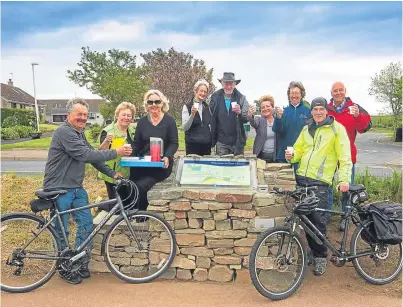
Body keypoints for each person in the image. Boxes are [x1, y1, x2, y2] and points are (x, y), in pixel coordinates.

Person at [43, 98, 132, 284]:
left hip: (76, 188)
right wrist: (116, 152)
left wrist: (112, 173)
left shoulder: (79, 133)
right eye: (79, 114)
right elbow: (85, 155)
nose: (83, 118)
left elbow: (94, 158)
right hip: (58, 188)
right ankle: (64, 267)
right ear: (69, 115)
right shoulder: (63, 132)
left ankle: (79, 262)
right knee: (62, 230)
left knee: (86, 224)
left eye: (85, 114)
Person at [286, 97, 352, 276]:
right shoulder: (307, 128)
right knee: (305, 220)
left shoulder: (336, 129)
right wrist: (291, 156)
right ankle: (312, 252)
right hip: (302, 179)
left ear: (326, 110)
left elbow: (345, 157)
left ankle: (321, 256)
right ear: (312, 111)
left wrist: (343, 180)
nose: (318, 112)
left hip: (320, 182)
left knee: (318, 221)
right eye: (315, 109)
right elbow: (299, 150)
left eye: (321, 109)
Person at [327, 82, 372, 231]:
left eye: (340, 90)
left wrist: (358, 116)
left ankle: (345, 216)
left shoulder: (354, 107)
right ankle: (327, 214)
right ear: (331, 93)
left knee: (346, 186)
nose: (338, 93)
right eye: (335, 91)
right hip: (329, 155)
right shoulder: (326, 109)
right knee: (326, 184)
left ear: (345, 91)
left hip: (347, 155)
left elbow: (364, 128)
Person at [129, 90, 179, 211]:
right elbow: (137, 144)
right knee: (129, 185)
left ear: (162, 103)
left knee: (141, 186)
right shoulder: (142, 122)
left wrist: (167, 156)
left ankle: (142, 216)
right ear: (146, 105)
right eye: (150, 102)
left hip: (160, 165)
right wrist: (128, 153)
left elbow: (174, 143)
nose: (154, 105)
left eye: (157, 101)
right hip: (143, 163)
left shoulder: (169, 121)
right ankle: (128, 213)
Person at [97, 102, 136, 211]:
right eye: (123, 115)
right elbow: (100, 153)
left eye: (129, 115)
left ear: (132, 118)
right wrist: (106, 141)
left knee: (128, 203)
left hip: (128, 172)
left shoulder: (132, 131)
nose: (126, 118)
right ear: (117, 115)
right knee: (117, 208)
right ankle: (99, 205)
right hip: (112, 173)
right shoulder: (108, 131)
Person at [272, 81, 312, 174]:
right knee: (285, 185)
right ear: (288, 95)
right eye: (292, 93)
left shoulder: (308, 112)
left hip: (302, 156)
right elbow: (277, 130)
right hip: (284, 155)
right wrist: (279, 118)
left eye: (296, 93)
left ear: (301, 95)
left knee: (300, 185)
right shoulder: (283, 111)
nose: (294, 96)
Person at [209, 72, 249, 156]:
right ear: (222, 84)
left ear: (235, 85)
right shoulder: (215, 97)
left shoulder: (242, 98)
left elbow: (246, 118)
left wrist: (240, 112)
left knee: (237, 167)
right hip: (221, 141)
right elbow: (210, 116)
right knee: (221, 167)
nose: (229, 86)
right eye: (226, 84)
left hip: (237, 141)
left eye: (231, 84)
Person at [182, 79, 212, 155]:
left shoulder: (207, 107)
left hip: (206, 145)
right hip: (192, 145)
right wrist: (192, 115)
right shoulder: (187, 106)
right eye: (201, 91)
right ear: (195, 91)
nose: (203, 93)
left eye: (205, 92)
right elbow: (185, 127)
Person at [248, 95, 278, 162]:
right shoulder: (259, 120)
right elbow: (253, 122)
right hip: (261, 157)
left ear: (272, 107)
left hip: (276, 157)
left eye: (268, 106)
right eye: (263, 107)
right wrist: (250, 115)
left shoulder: (277, 120)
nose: (265, 109)